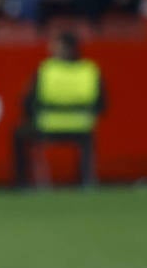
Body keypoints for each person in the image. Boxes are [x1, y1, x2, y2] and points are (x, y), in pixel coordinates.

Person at [13, 31, 104, 188]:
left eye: (56, 45)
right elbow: (101, 105)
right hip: (82, 128)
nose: (51, 48)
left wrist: (37, 115)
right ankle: (85, 180)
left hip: (47, 127)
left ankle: (23, 184)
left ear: (66, 48)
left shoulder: (47, 69)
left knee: (19, 134)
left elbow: (28, 103)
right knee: (87, 141)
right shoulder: (89, 70)